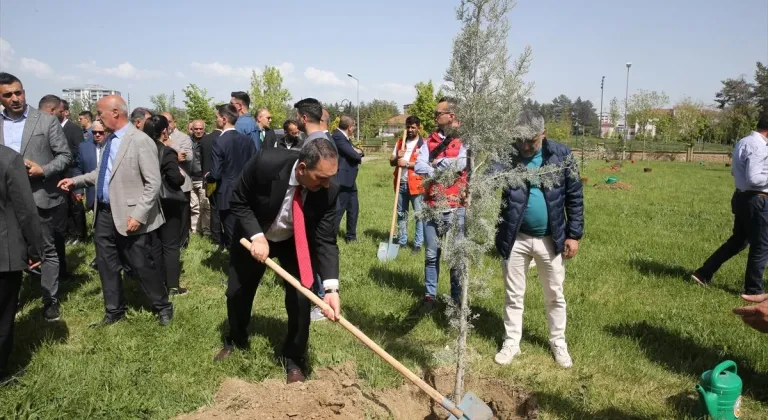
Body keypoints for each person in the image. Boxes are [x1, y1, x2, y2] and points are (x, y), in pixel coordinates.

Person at [214, 128, 342, 386]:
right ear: (302, 169)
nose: (327, 183)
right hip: (255, 233)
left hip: (296, 241)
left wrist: (331, 287)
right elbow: (238, 200)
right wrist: (257, 236)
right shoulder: (265, 163)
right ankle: (236, 338)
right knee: (237, 292)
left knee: (301, 298)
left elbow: (325, 240)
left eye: (331, 177)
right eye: (321, 178)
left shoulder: (330, 190)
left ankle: (294, 358)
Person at [57, 95, 173, 327]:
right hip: (104, 215)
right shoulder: (110, 141)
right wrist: (75, 181)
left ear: (115, 113)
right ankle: (114, 311)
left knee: (140, 263)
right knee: (106, 264)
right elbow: (101, 174)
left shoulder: (139, 141)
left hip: (130, 216)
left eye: (100, 113)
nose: (97, 118)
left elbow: (153, 183)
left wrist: (138, 215)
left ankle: (162, 305)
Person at [492, 110, 583, 369]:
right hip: (515, 237)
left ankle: (558, 342)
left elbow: (575, 196)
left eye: (530, 141)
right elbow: (489, 175)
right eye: (519, 140)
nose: (524, 146)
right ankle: (511, 342)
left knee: (555, 294)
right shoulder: (508, 154)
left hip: (550, 239)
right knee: (513, 294)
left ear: (543, 134)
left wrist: (574, 235)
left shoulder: (561, 155)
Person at [0, 73, 72, 322]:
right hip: (4, 201)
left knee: (46, 250)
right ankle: (11, 298)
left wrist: (44, 170)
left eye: (18, 92)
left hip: (39, 195)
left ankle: (50, 300)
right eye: (8, 95)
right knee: (8, 251)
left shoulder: (45, 121)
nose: (15, 98)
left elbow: (65, 156)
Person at [692, 113, 768, 295]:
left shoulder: (743, 141)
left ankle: (703, 273)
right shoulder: (759, 147)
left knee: (738, 241)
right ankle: (753, 291)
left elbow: (735, 172)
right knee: (761, 245)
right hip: (756, 200)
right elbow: (754, 179)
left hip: (742, 198)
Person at [414, 97, 467, 313]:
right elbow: (418, 165)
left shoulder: (464, 140)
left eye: (438, 113)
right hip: (431, 205)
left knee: (455, 257)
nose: (435, 117)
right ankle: (430, 296)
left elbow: (462, 163)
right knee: (431, 255)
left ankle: (456, 299)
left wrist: (438, 163)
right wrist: (438, 169)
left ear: (451, 116)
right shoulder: (430, 140)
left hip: (456, 206)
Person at [0, 145, 44, 382]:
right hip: (3, 254)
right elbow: (26, 211)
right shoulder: (8, 158)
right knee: (3, 315)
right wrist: (35, 251)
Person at [144, 115, 188, 297]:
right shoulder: (167, 151)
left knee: (154, 243)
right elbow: (176, 178)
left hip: (147, 202)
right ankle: (172, 286)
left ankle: (158, 282)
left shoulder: (141, 150)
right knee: (170, 244)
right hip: (167, 202)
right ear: (164, 131)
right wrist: (179, 173)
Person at [207, 104, 256, 248]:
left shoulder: (220, 141)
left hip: (226, 193)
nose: (216, 120)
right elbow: (253, 167)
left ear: (223, 119)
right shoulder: (247, 140)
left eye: (217, 117)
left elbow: (215, 173)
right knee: (245, 232)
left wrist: (208, 177)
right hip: (246, 192)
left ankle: (234, 266)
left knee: (231, 233)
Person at [72, 120, 109, 270]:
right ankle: (100, 257)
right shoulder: (84, 147)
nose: (98, 135)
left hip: (111, 196)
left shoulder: (113, 145)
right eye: (95, 133)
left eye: (101, 132)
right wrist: (78, 190)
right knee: (99, 231)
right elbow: (78, 169)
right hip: (93, 194)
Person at [390, 116, 425, 254]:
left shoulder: (423, 145)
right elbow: (392, 162)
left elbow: (425, 165)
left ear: (419, 128)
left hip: (417, 185)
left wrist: (408, 164)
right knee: (401, 214)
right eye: (408, 127)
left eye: (413, 127)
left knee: (419, 215)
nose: (410, 130)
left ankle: (417, 243)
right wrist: (397, 157)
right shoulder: (400, 143)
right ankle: (402, 241)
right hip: (401, 184)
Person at [161, 112, 193, 248]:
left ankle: (183, 242)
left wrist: (170, 145)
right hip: (163, 184)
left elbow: (189, 156)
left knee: (183, 215)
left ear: (174, 123)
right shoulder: (155, 137)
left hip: (181, 182)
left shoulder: (183, 137)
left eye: (169, 121)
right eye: (164, 122)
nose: (167, 125)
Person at [59, 100, 87, 246]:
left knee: (76, 205)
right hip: (59, 173)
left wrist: (63, 155)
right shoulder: (54, 128)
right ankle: (69, 233)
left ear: (65, 112)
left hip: (72, 171)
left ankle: (80, 234)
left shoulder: (73, 129)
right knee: (65, 205)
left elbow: (79, 149)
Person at [332, 116, 362, 243]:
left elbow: (355, 151)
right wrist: (359, 153)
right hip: (342, 180)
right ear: (350, 127)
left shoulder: (344, 137)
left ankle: (351, 236)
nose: (354, 129)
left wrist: (358, 152)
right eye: (353, 126)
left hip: (350, 180)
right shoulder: (338, 137)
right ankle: (330, 236)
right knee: (339, 210)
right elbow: (354, 154)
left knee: (353, 208)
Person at [201, 126, 222, 246]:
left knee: (214, 208)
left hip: (209, 180)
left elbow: (203, 161)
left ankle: (216, 238)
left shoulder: (205, 139)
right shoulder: (223, 138)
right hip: (222, 180)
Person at [189, 120, 209, 236]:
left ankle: (206, 231)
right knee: (194, 207)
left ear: (204, 129)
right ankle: (195, 231)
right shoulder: (187, 140)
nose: (198, 131)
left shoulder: (208, 140)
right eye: (196, 129)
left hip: (203, 178)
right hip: (190, 178)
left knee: (206, 206)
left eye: (200, 129)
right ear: (192, 129)